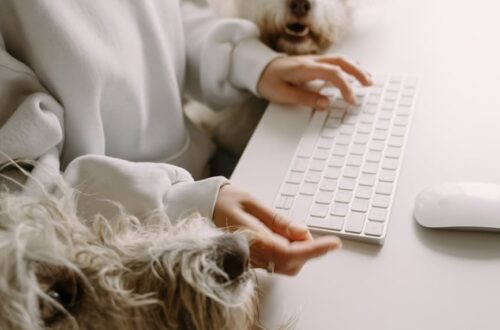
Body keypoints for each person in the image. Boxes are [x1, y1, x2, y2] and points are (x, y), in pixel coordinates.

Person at [0, 0, 371, 275]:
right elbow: (16, 183)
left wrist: (253, 63)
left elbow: (172, 14)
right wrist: (181, 204)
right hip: (111, 246)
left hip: (201, 181)